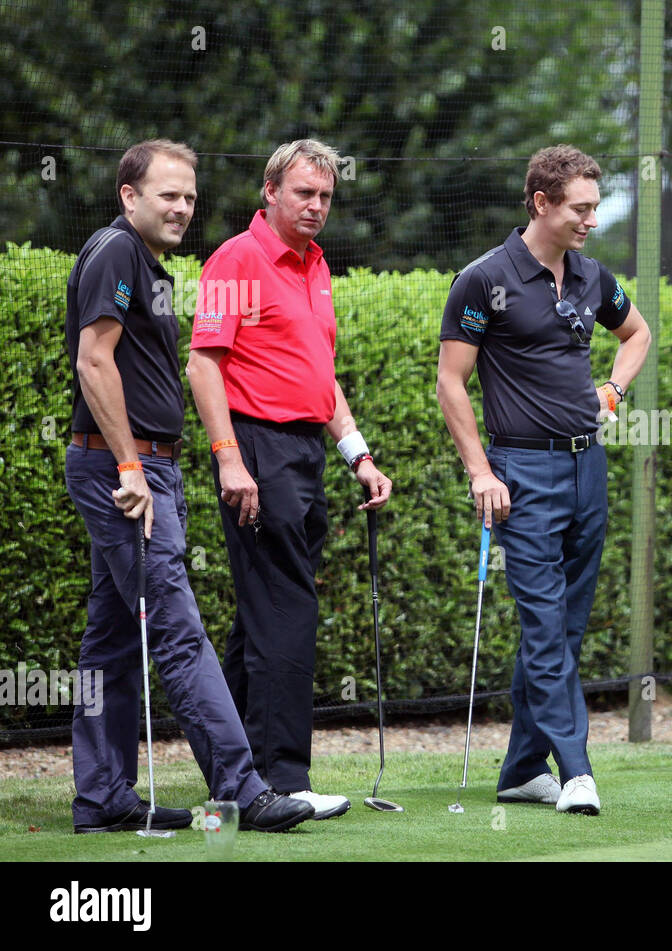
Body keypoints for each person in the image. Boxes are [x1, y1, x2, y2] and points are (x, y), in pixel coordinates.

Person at [63, 140, 313, 834]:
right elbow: (94, 361)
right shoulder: (115, 252)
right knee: (176, 629)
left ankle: (104, 797)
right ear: (128, 195)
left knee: (110, 641)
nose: (181, 206)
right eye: (168, 193)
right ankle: (243, 788)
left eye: (190, 197)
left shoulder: (151, 266)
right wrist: (130, 468)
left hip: (146, 467)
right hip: (126, 472)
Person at [436, 144, 651, 814]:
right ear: (541, 203)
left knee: (567, 625)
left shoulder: (593, 277)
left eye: (594, 207)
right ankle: (576, 768)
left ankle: (523, 767)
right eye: (580, 208)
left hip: (589, 467)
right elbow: (450, 380)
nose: (591, 220)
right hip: (519, 472)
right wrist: (479, 470)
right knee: (543, 621)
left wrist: (612, 391)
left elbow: (638, 332)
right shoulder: (484, 278)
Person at [187, 139, 393, 820]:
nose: (316, 206)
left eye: (326, 196)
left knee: (262, 619)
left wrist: (357, 454)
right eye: (304, 193)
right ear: (270, 190)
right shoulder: (238, 259)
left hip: (304, 451)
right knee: (286, 611)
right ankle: (279, 778)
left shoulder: (316, 264)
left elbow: (319, 375)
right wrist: (228, 456)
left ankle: (234, 775)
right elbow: (205, 364)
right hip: (256, 447)